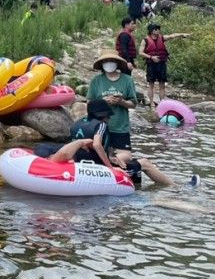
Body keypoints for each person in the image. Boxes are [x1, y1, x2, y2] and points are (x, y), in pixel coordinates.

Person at [48, 99, 196, 187]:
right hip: (97, 167)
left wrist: (111, 156)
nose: (109, 118)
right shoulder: (101, 125)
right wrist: (111, 167)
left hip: (80, 163)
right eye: (108, 116)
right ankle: (176, 186)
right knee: (144, 163)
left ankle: (137, 184)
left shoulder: (77, 123)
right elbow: (97, 145)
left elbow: (84, 146)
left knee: (126, 159)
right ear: (103, 115)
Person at [86, 50, 137, 151]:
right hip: (99, 127)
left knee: (124, 157)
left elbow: (133, 104)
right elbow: (89, 104)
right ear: (101, 64)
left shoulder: (127, 80)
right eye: (106, 60)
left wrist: (121, 101)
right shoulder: (96, 81)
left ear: (117, 62)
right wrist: (103, 101)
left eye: (112, 60)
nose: (109, 62)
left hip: (121, 128)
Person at [138, 22, 190, 106]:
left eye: (158, 29)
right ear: (151, 30)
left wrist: (182, 34)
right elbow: (140, 52)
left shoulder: (162, 38)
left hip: (161, 64)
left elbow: (172, 36)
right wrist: (151, 57)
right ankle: (151, 103)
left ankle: (162, 102)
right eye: (155, 29)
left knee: (162, 84)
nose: (157, 30)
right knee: (151, 84)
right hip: (151, 64)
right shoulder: (145, 40)